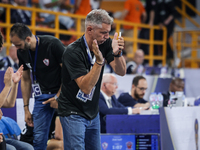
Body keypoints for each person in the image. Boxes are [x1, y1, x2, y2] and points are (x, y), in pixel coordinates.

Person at [56, 9, 126, 150]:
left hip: (92, 112)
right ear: (89, 29)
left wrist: (117, 53)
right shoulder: (72, 52)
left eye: (108, 32)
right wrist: (99, 62)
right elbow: (86, 88)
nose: (107, 36)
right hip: (73, 112)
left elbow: (121, 71)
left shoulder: (105, 43)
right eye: (103, 32)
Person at [10, 23, 65, 150]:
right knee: (39, 138)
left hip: (64, 95)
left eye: (18, 44)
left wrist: (58, 96)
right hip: (42, 97)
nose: (17, 48)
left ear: (28, 39)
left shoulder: (53, 44)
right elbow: (26, 79)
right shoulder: (22, 52)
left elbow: (69, 73)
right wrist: (26, 108)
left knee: (67, 136)